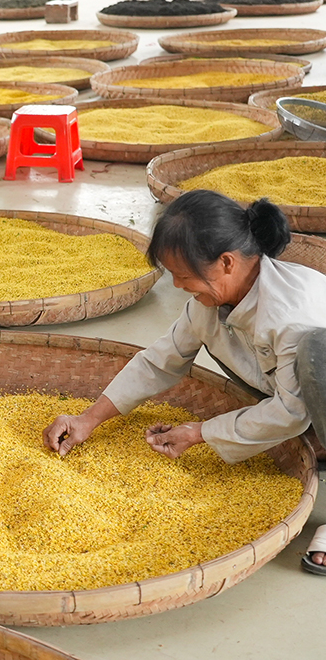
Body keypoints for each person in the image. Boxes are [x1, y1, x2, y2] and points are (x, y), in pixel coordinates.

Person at [41, 189, 326, 575]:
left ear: (226, 262)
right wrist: (88, 419)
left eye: (184, 275)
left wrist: (200, 433)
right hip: (302, 398)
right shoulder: (210, 303)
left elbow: (291, 412)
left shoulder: (292, 315)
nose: (178, 286)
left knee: (317, 351)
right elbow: (161, 360)